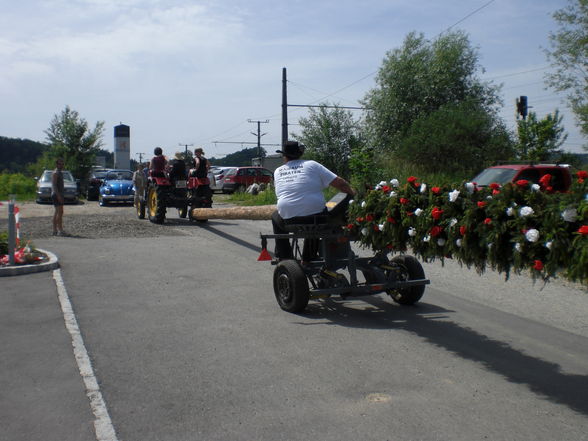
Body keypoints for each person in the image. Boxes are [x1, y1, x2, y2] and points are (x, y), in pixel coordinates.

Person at [272, 141, 355, 261]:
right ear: (300, 154)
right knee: (325, 208)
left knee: (275, 216)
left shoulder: (277, 171)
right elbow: (341, 184)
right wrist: (353, 194)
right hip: (317, 215)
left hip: (288, 218)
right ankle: (308, 257)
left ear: (284, 156)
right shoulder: (312, 164)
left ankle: (284, 256)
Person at [51, 158, 68, 236]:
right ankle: (60, 230)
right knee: (60, 212)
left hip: (59, 194)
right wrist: (58, 196)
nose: (61, 165)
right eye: (60, 164)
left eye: (62, 164)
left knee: (58, 212)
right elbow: (54, 185)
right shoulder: (56, 173)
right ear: (57, 164)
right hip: (56, 194)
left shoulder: (60, 172)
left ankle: (55, 230)